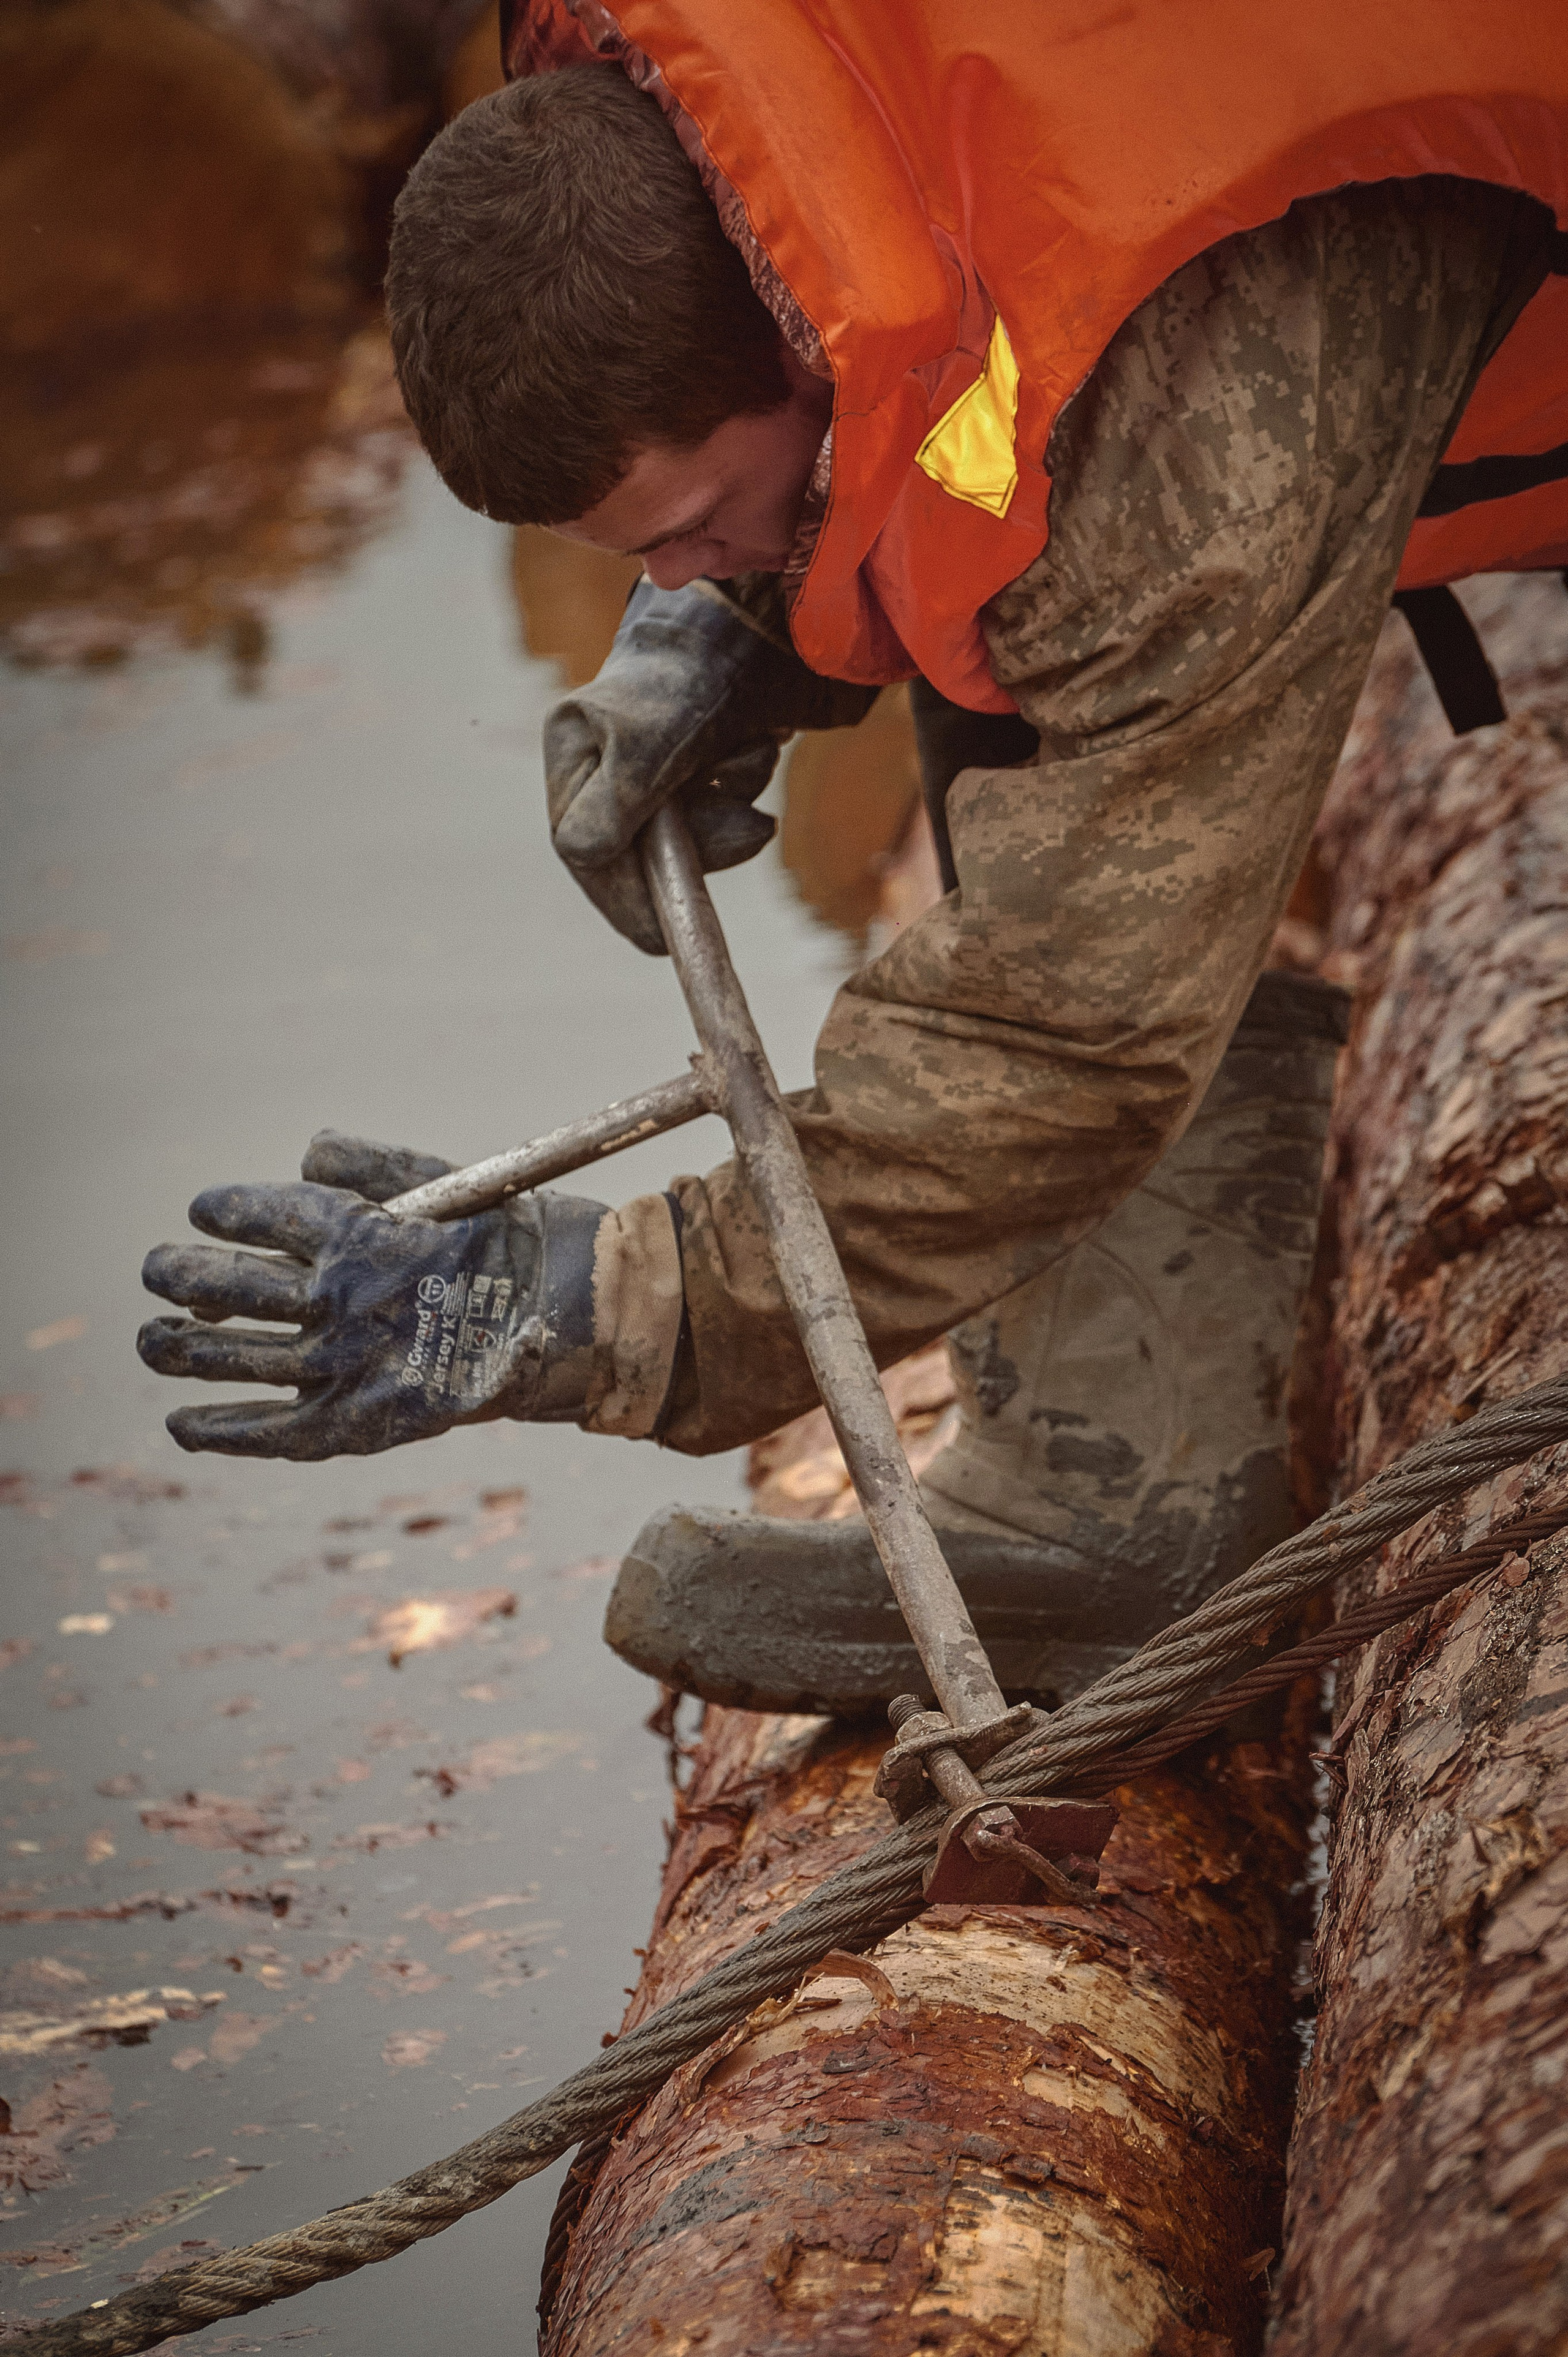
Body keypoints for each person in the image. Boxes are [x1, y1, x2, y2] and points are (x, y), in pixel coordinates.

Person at [138, 1, 1568, 1688]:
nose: (658, 587)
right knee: (998, 567)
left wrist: (609, 1305)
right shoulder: (734, 74)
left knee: (1040, 586)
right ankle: (1112, 1465)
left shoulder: (1177, 406)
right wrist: (753, 608)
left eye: (682, 533)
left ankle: (1119, 1507)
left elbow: (1066, 1035)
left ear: (794, 354)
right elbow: (917, 359)